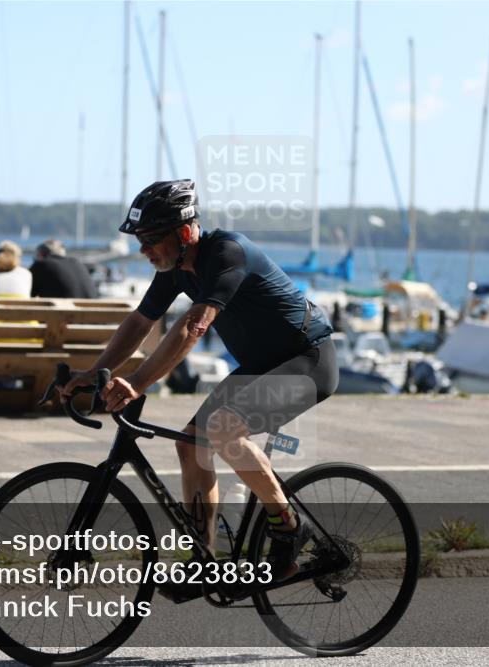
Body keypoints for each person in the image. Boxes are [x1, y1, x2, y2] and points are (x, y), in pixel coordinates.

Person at [59, 179, 338, 599]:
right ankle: (204, 558)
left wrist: (135, 383)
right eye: (140, 241)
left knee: (224, 429)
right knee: (191, 443)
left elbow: (193, 325)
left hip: (307, 359)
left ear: (186, 232)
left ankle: (288, 528)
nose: (143, 250)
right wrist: (95, 371)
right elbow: (140, 322)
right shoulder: (174, 271)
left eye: (152, 239)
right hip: (262, 365)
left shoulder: (227, 253)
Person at [29, 239, 98, 298]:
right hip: (92, 311)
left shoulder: (41, 265)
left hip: (65, 312)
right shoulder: (77, 263)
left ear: (41, 254)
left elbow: (27, 293)